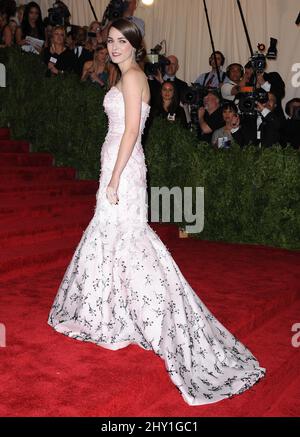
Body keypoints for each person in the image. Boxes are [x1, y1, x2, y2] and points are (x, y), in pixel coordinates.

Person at [48, 17, 265, 407]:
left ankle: (142, 314)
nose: (114, 47)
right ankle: (110, 312)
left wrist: (114, 179)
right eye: (110, 40)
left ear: (135, 44)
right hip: (119, 161)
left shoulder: (133, 78)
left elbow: (131, 130)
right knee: (114, 235)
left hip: (124, 165)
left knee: (127, 237)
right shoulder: (127, 75)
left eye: (121, 41)